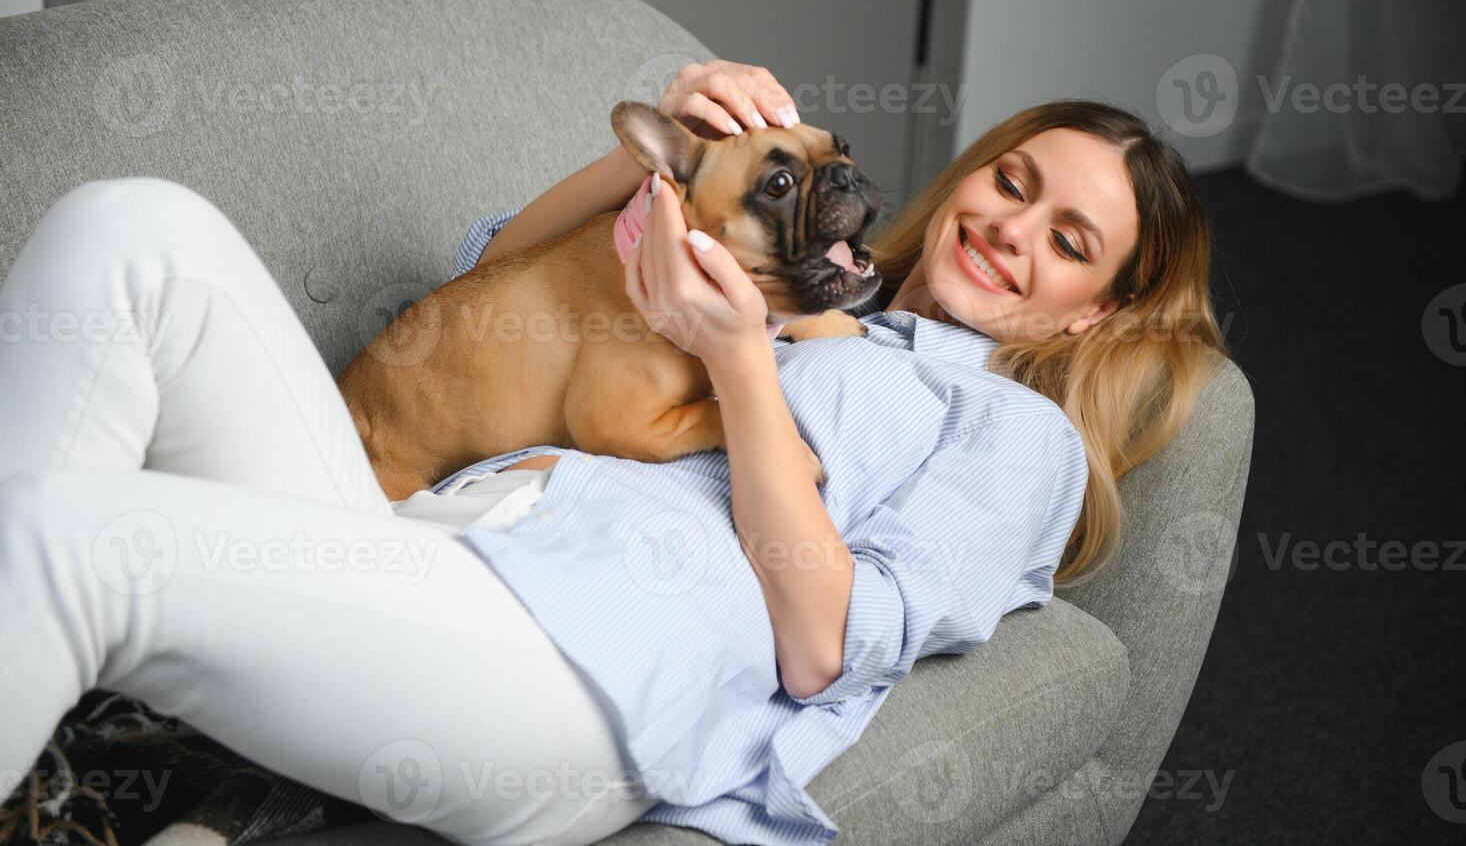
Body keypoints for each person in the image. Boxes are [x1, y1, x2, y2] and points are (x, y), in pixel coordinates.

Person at [0, 60, 1225, 846]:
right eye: (1011, 183)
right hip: (417, 528)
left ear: (1090, 314)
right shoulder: (779, 261)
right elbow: (495, 281)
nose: (1013, 229)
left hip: (579, 658)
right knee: (131, 228)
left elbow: (820, 642)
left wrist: (746, 359)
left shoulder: (1016, 434)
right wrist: (671, 140)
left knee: (73, 532)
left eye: (1068, 240)